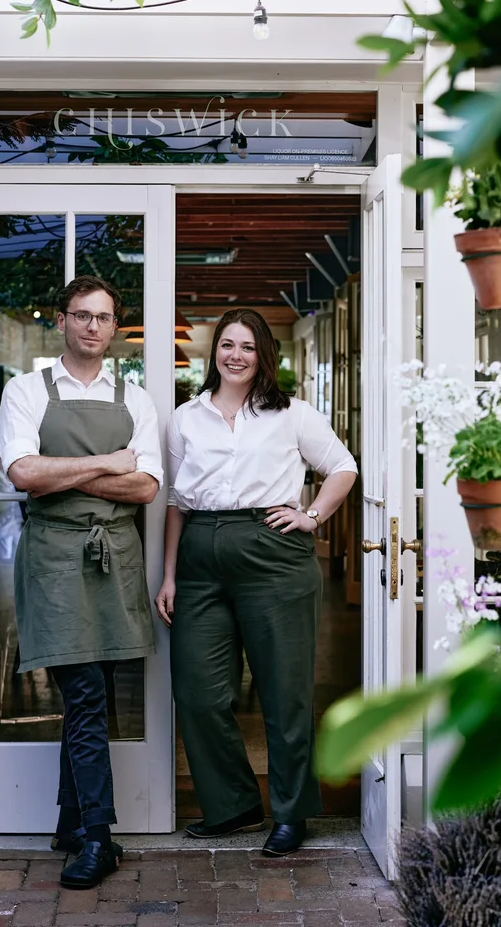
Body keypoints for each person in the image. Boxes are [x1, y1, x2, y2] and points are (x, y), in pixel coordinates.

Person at [156, 308, 357, 857]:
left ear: (263, 354)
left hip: (273, 554)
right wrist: (169, 575)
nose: (236, 355)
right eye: (228, 344)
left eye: (247, 346)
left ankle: (292, 813)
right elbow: (175, 500)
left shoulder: (292, 414)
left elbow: (343, 467)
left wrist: (311, 516)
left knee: (284, 692)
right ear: (214, 351)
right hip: (200, 556)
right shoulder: (185, 418)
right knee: (197, 692)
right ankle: (233, 806)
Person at [0, 275, 162, 889]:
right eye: (81, 315)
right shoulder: (25, 390)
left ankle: (70, 822)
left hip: (114, 555)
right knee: (86, 692)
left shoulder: (136, 398)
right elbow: (22, 472)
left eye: (103, 317)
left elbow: (146, 486)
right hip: (54, 559)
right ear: (61, 320)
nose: (92, 326)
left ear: (115, 327)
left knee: (96, 690)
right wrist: (106, 463)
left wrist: (63, 472)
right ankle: (99, 837)